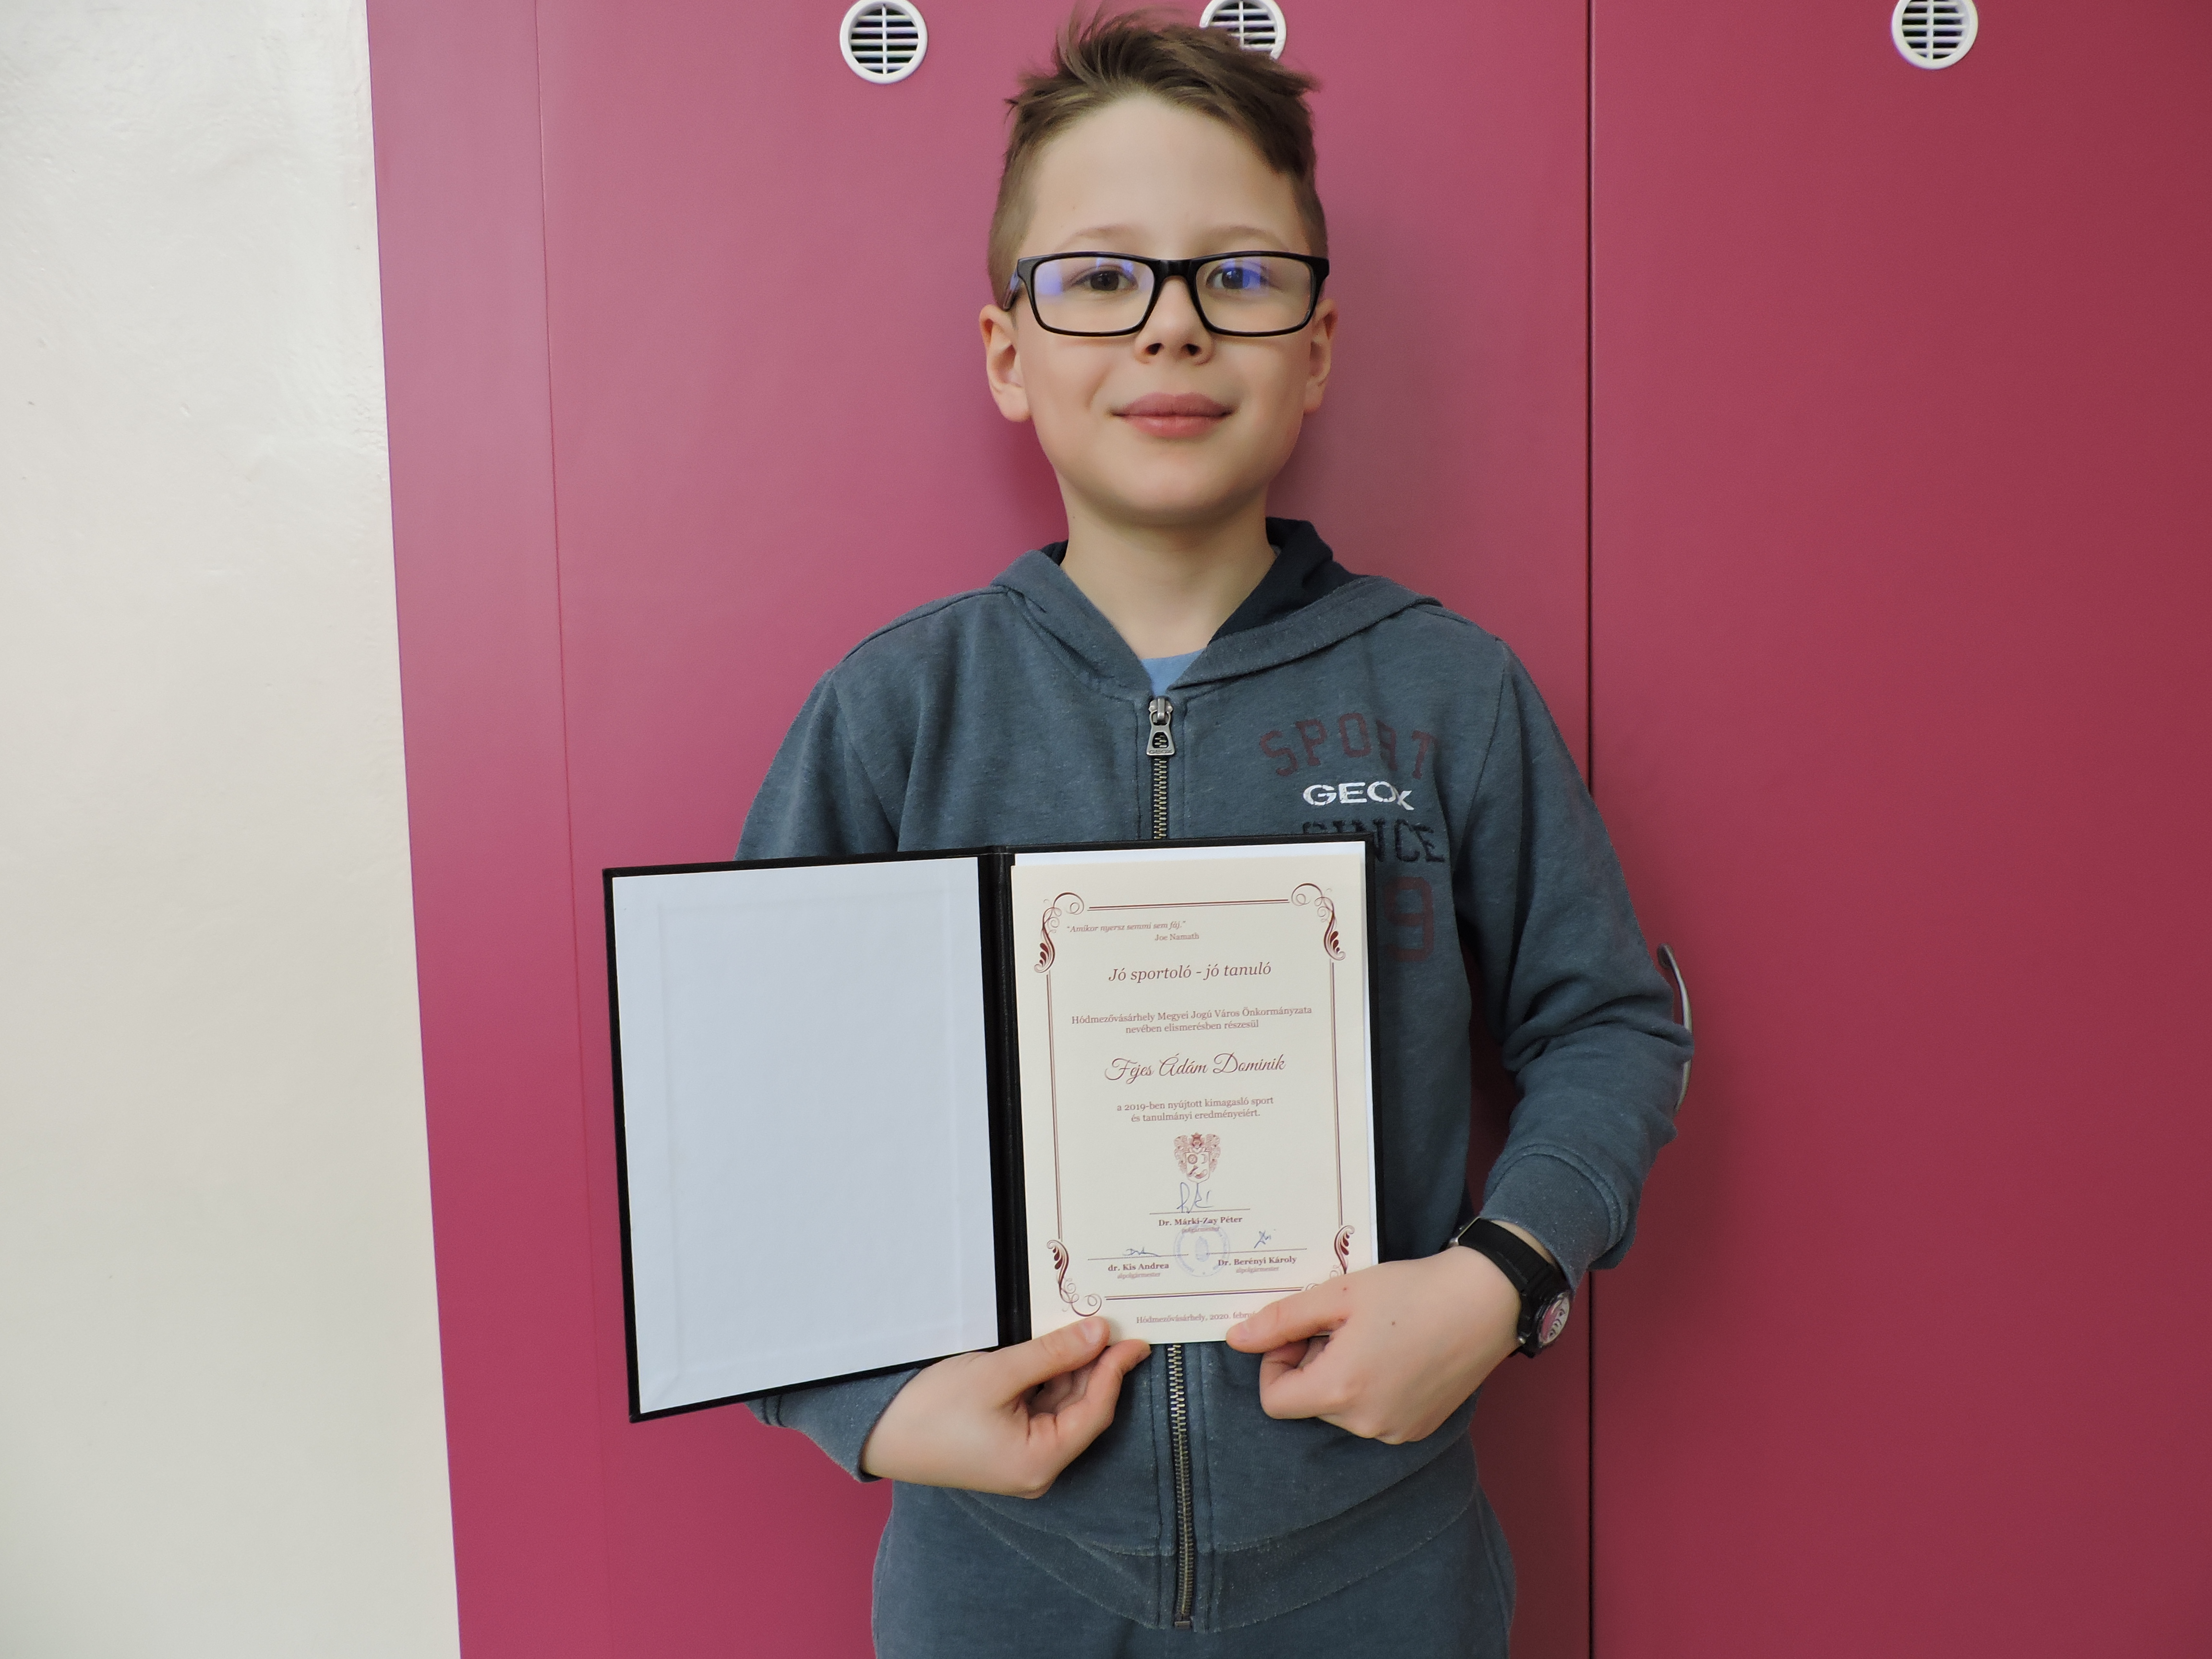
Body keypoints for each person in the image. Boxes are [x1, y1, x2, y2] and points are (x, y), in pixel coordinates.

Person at [737, 12, 1688, 1654]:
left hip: (1382, 1565)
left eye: (1239, 277)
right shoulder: (898, 713)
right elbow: (747, 1108)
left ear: (1315, 348)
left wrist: (1503, 1280)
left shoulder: (1447, 693)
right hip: (1001, 1578)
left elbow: (1609, 1023)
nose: (1172, 325)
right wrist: (868, 1409)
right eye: (1102, 277)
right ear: (1008, 352)